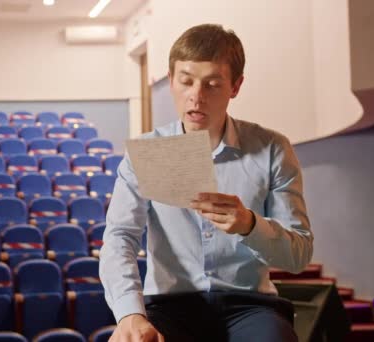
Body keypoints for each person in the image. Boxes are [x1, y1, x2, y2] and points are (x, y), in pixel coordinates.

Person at [99, 24, 313, 342]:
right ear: (170, 80)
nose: (196, 97)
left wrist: (250, 225)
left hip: (250, 307)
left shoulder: (271, 148)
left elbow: (299, 254)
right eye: (185, 81)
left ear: (236, 86)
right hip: (171, 306)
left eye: (212, 84)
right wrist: (130, 313)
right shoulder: (147, 153)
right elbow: (119, 239)